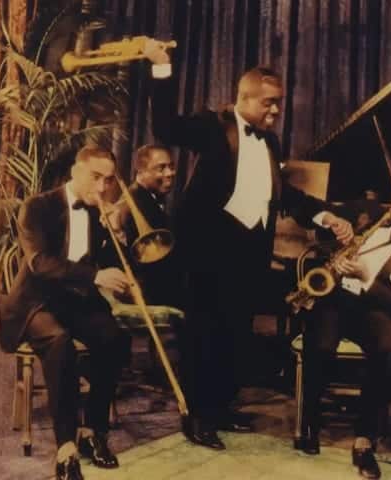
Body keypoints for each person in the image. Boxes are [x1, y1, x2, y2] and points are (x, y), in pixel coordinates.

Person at [143, 41, 354, 450]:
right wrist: (162, 66)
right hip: (206, 254)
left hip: (248, 255)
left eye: (279, 103)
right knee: (203, 336)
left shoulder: (269, 143)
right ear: (244, 97)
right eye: (269, 103)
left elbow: (283, 195)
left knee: (235, 334)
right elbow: (166, 127)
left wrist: (325, 216)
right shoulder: (213, 126)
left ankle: (221, 407)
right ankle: (196, 416)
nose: (276, 111)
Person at [300, 177, 391, 480]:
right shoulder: (366, 212)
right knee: (321, 343)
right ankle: (309, 419)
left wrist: (367, 277)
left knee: (387, 347)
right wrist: (334, 226)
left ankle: (365, 436)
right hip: (335, 297)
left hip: (373, 308)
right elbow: (320, 218)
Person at [0, 146, 130, 480]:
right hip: (36, 302)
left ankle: (93, 432)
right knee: (60, 342)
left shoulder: (97, 211)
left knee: (114, 338)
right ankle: (66, 448)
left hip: (76, 301)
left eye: (108, 180)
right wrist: (96, 276)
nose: (102, 187)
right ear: (76, 171)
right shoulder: (37, 206)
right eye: (95, 177)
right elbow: (39, 263)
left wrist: (116, 236)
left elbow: (106, 263)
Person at [118, 144, 178, 305]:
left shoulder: (151, 196)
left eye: (171, 167)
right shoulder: (132, 204)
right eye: (161, 168)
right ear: (141, 172)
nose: (170, 173)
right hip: (150, 294)